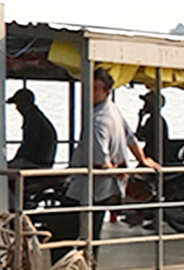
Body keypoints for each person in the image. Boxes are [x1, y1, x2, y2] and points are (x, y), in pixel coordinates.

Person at [64, 67, 158, 253]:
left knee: (67, 233)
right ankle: (86, 269)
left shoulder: (98, 119)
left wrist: (116, 170)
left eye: (95, 89)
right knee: (92, 233)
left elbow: (101, 159)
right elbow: (130, 137)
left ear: (106, 91)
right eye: (88, 88)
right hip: (107, 186)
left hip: (91, 187)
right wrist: (142, 158)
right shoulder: (113, 109)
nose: (89, 93)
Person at [7, 87, 57, 170]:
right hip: (43, 162)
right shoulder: (35, 116)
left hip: (37, 163)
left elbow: (28, 146)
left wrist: (16, 160)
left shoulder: (33, 119)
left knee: (4, 170)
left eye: (17, 104)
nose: (17, 108)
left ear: (24, 103)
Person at [136, 91, 169, 166]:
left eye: (146, 103)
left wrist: (140, 119)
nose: (144, 105)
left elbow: (139, 136)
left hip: (152, 157)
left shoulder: (154, 121)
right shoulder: (157, 120)